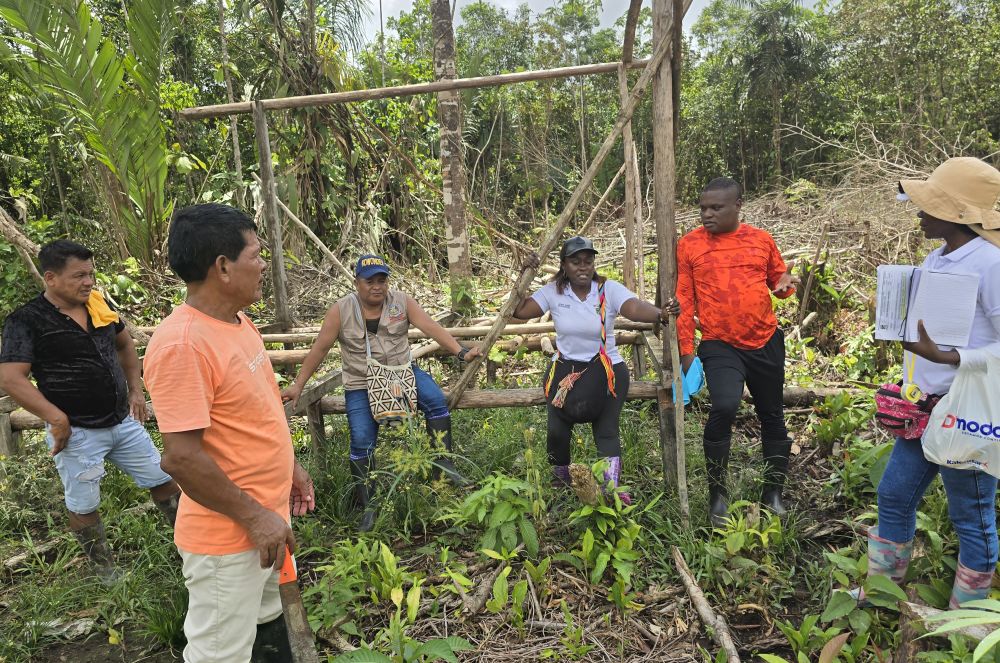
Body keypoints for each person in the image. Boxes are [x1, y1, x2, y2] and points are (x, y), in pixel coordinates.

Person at [144, 204, 316, 663]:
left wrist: (290, 468)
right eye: (256, 255)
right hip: (229, 538)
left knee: (263, 629)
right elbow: (180, 458)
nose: (263, 265)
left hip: (265, 523)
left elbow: (256, 412)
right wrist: (256, 517)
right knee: (218, 654)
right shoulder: (183, 345)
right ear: (222, 267)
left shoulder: (238, 323)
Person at [858, 157, 1000, 609]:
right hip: (925, 410)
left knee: (971, 514)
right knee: (894, 493)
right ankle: (883, 594)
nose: (918, 211)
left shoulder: (992, 264)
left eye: (928, 204)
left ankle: (969, 617)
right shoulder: (937, 257)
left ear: (959, 213)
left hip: (965, 412)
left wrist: (950, 356)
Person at [0, 240, 180, 583]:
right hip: (77, 432)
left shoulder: (98, 304)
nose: (88, 282)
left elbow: (125, 344)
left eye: (91, 274)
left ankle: (190, 543)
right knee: (84, 503)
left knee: (162, 478)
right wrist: (57, 417)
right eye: (79, 276)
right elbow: (10, 378)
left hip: (121, 421)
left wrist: (135, 389)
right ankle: (104, 570)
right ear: (50, 278)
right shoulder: (26, 320)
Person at [281, 254, 481, 532]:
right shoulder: (340, 311)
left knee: (436, 401)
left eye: (382, 280)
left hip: (402, 372)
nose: (377, 286)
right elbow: (319, 349)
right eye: (369, 281)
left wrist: (461, 351)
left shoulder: (402, 302)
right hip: (361, 382)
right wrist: (298, 385)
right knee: (362, 440)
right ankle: (369, 505)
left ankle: (443, 468)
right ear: (356, 283)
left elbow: (431, 327)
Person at [515, 236, 680, 505]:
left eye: (588, 261)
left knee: (606, 430)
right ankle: (560, 484)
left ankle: (610, 491)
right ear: (564, 265)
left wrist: (660, 314)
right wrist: (524, 275)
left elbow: (634, 308)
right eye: (575, 262)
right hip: (566, 370)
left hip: (606, 369)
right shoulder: (553, 291)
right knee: (557, 431)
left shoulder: (607, 290)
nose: (583, 267)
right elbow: (517, 312)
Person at [676, 178, 799, 526]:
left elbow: (780, 283)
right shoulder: (690, 245)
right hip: (719, 342)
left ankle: (773, 492)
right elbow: (684, 300)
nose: (706, 214)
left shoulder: (761, 240)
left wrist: (785, 285)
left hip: (765, 339)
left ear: (737, 205)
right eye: (702, 208)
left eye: (716, 208)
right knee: (725, 406)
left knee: (772, 414)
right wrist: (687, 351)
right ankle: (718, 496)